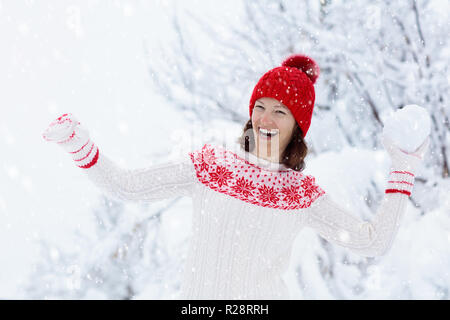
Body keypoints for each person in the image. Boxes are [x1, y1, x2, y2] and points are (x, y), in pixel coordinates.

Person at [42, 54, 429, 300]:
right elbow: (126, 186)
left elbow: (373, 243)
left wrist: (403, 168)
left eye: (280, 112)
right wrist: (79, 145)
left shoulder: (300, 195)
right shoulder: (210, 166)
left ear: (298, 127)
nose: (265, 118)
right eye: (260, 106)